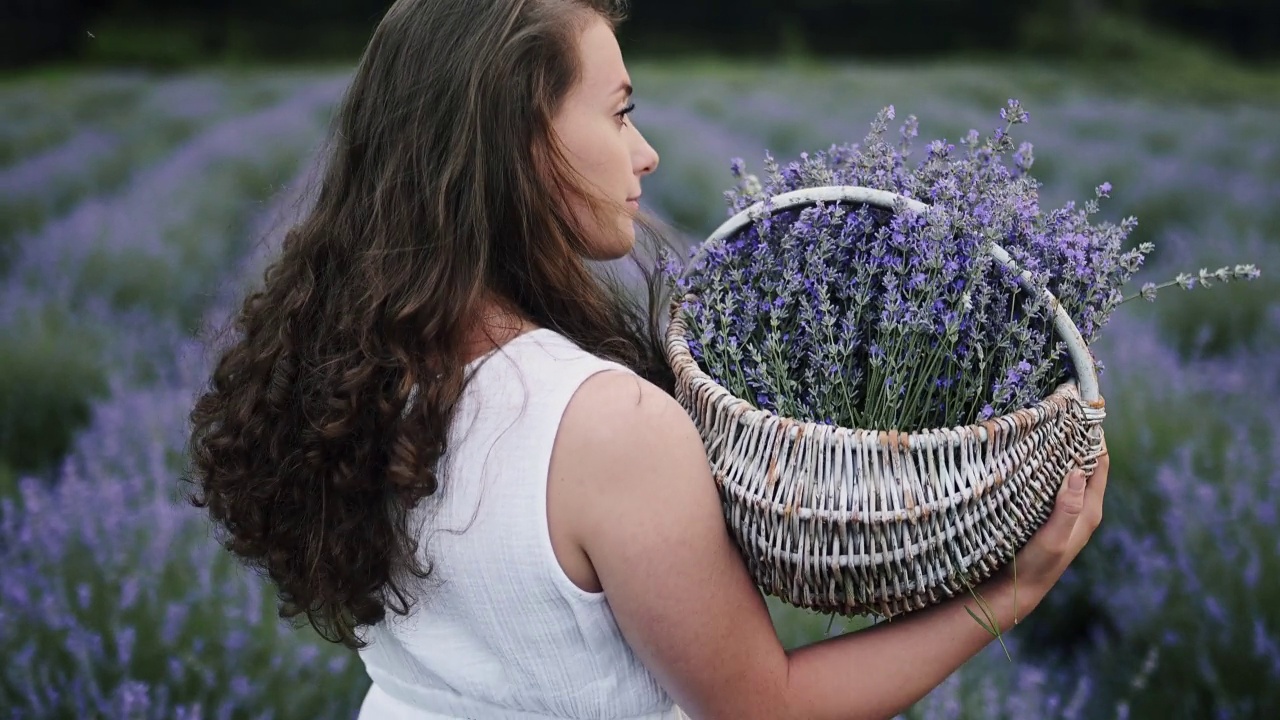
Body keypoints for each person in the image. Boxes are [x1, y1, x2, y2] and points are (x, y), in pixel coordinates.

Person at [184, 0, 1111, 718]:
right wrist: (1013, 593)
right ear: (521, 143)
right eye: (620, 112)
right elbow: (761, 709)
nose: (648, 152)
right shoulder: (604, 427)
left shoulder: (358, 362)